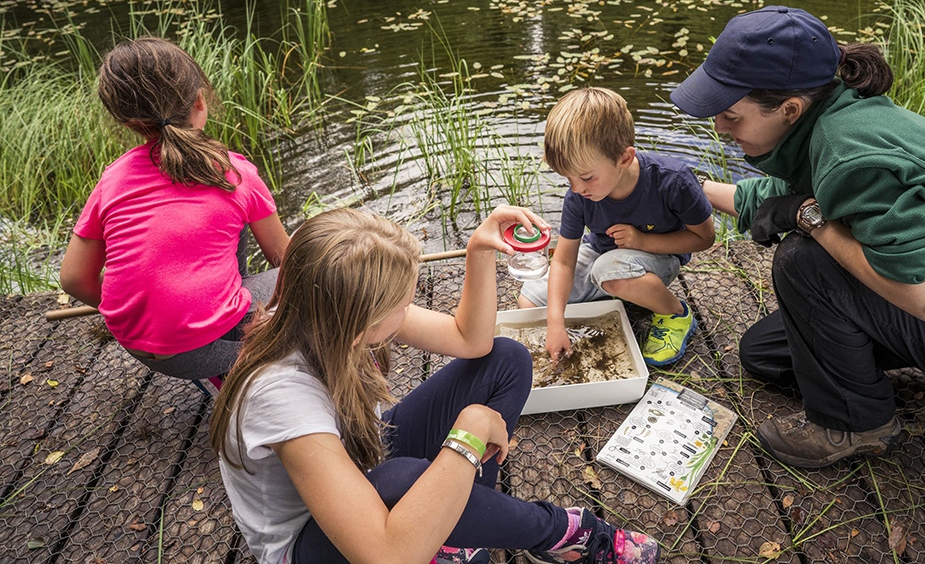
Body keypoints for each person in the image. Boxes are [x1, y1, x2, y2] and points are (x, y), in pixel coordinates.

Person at [669, 5, 925, 469]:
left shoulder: (852, 156)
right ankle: (855, 384)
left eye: (731, 117)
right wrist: (688, 188)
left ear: (789, 109)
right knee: (763, 355)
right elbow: (781, 193)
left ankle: (858, 424)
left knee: (802, 260)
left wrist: (810, 218)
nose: (719, 126)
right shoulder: (831, 115)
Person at [209, 205, 661, 564]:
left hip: (365, 464)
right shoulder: (282, 398)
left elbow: (471, 340)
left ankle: (453, 527)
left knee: (506, 360)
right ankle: (565, 533)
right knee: (404, 478)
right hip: (319, 542)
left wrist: (479, 250)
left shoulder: (318, 312)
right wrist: (468, 431)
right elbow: (385, 555)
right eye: (402, 306)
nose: (410, 312)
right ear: (356, 325)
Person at [59, 37, 290, 382]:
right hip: (203, 348)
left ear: (129, 122)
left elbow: (74, 279)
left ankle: (226, 330)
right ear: (199, 101)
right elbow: (288, 263)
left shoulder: (113, 178)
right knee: (318, 276)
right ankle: (242, 354)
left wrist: (133, 305)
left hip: (140, 347)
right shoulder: (234, 172)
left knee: (232, 227)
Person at [517, 87, 715, 367]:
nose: (576, 188)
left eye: (586, 177)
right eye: (568, 178)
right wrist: (555, 323)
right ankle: (612, 295)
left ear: (624, 158)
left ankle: (675, 314)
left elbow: (704, 238)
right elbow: (563, 261)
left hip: (659, 258)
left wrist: (643, 242)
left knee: (608, 272)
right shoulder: (579, 194)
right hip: (604, 256)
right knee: (529, 300)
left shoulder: (673, 180)